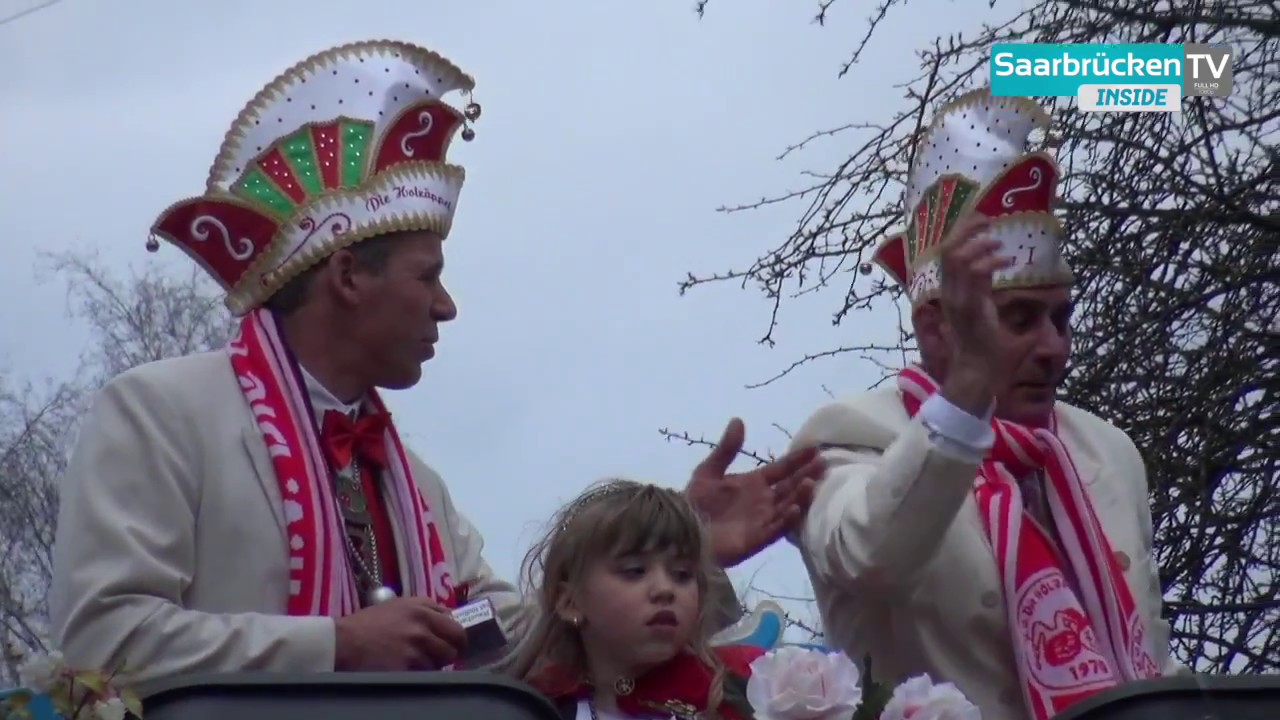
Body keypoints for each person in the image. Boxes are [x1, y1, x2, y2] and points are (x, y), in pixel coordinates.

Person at [48, 39, 822, 689]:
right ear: (349, 277)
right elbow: (102, 639)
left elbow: (510, 640)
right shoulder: (164, 412)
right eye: (428, 276)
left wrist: (668, 553)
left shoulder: (413, 483)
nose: (446, 307)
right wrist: (338, 645)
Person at [786, 88, 1183, 720]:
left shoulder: (1104, 449)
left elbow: (1152, 658)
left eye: (1061, 319)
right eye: (1020, 319)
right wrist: (969, 386)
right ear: (935, 328)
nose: (1053, 348)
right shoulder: (849, 433)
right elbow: (871, 559)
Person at [513, 480, 765, 720]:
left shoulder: (753, 682)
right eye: (635, 571)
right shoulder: (526, 707)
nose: (665, 589)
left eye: (682, 574)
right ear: (569, 602)